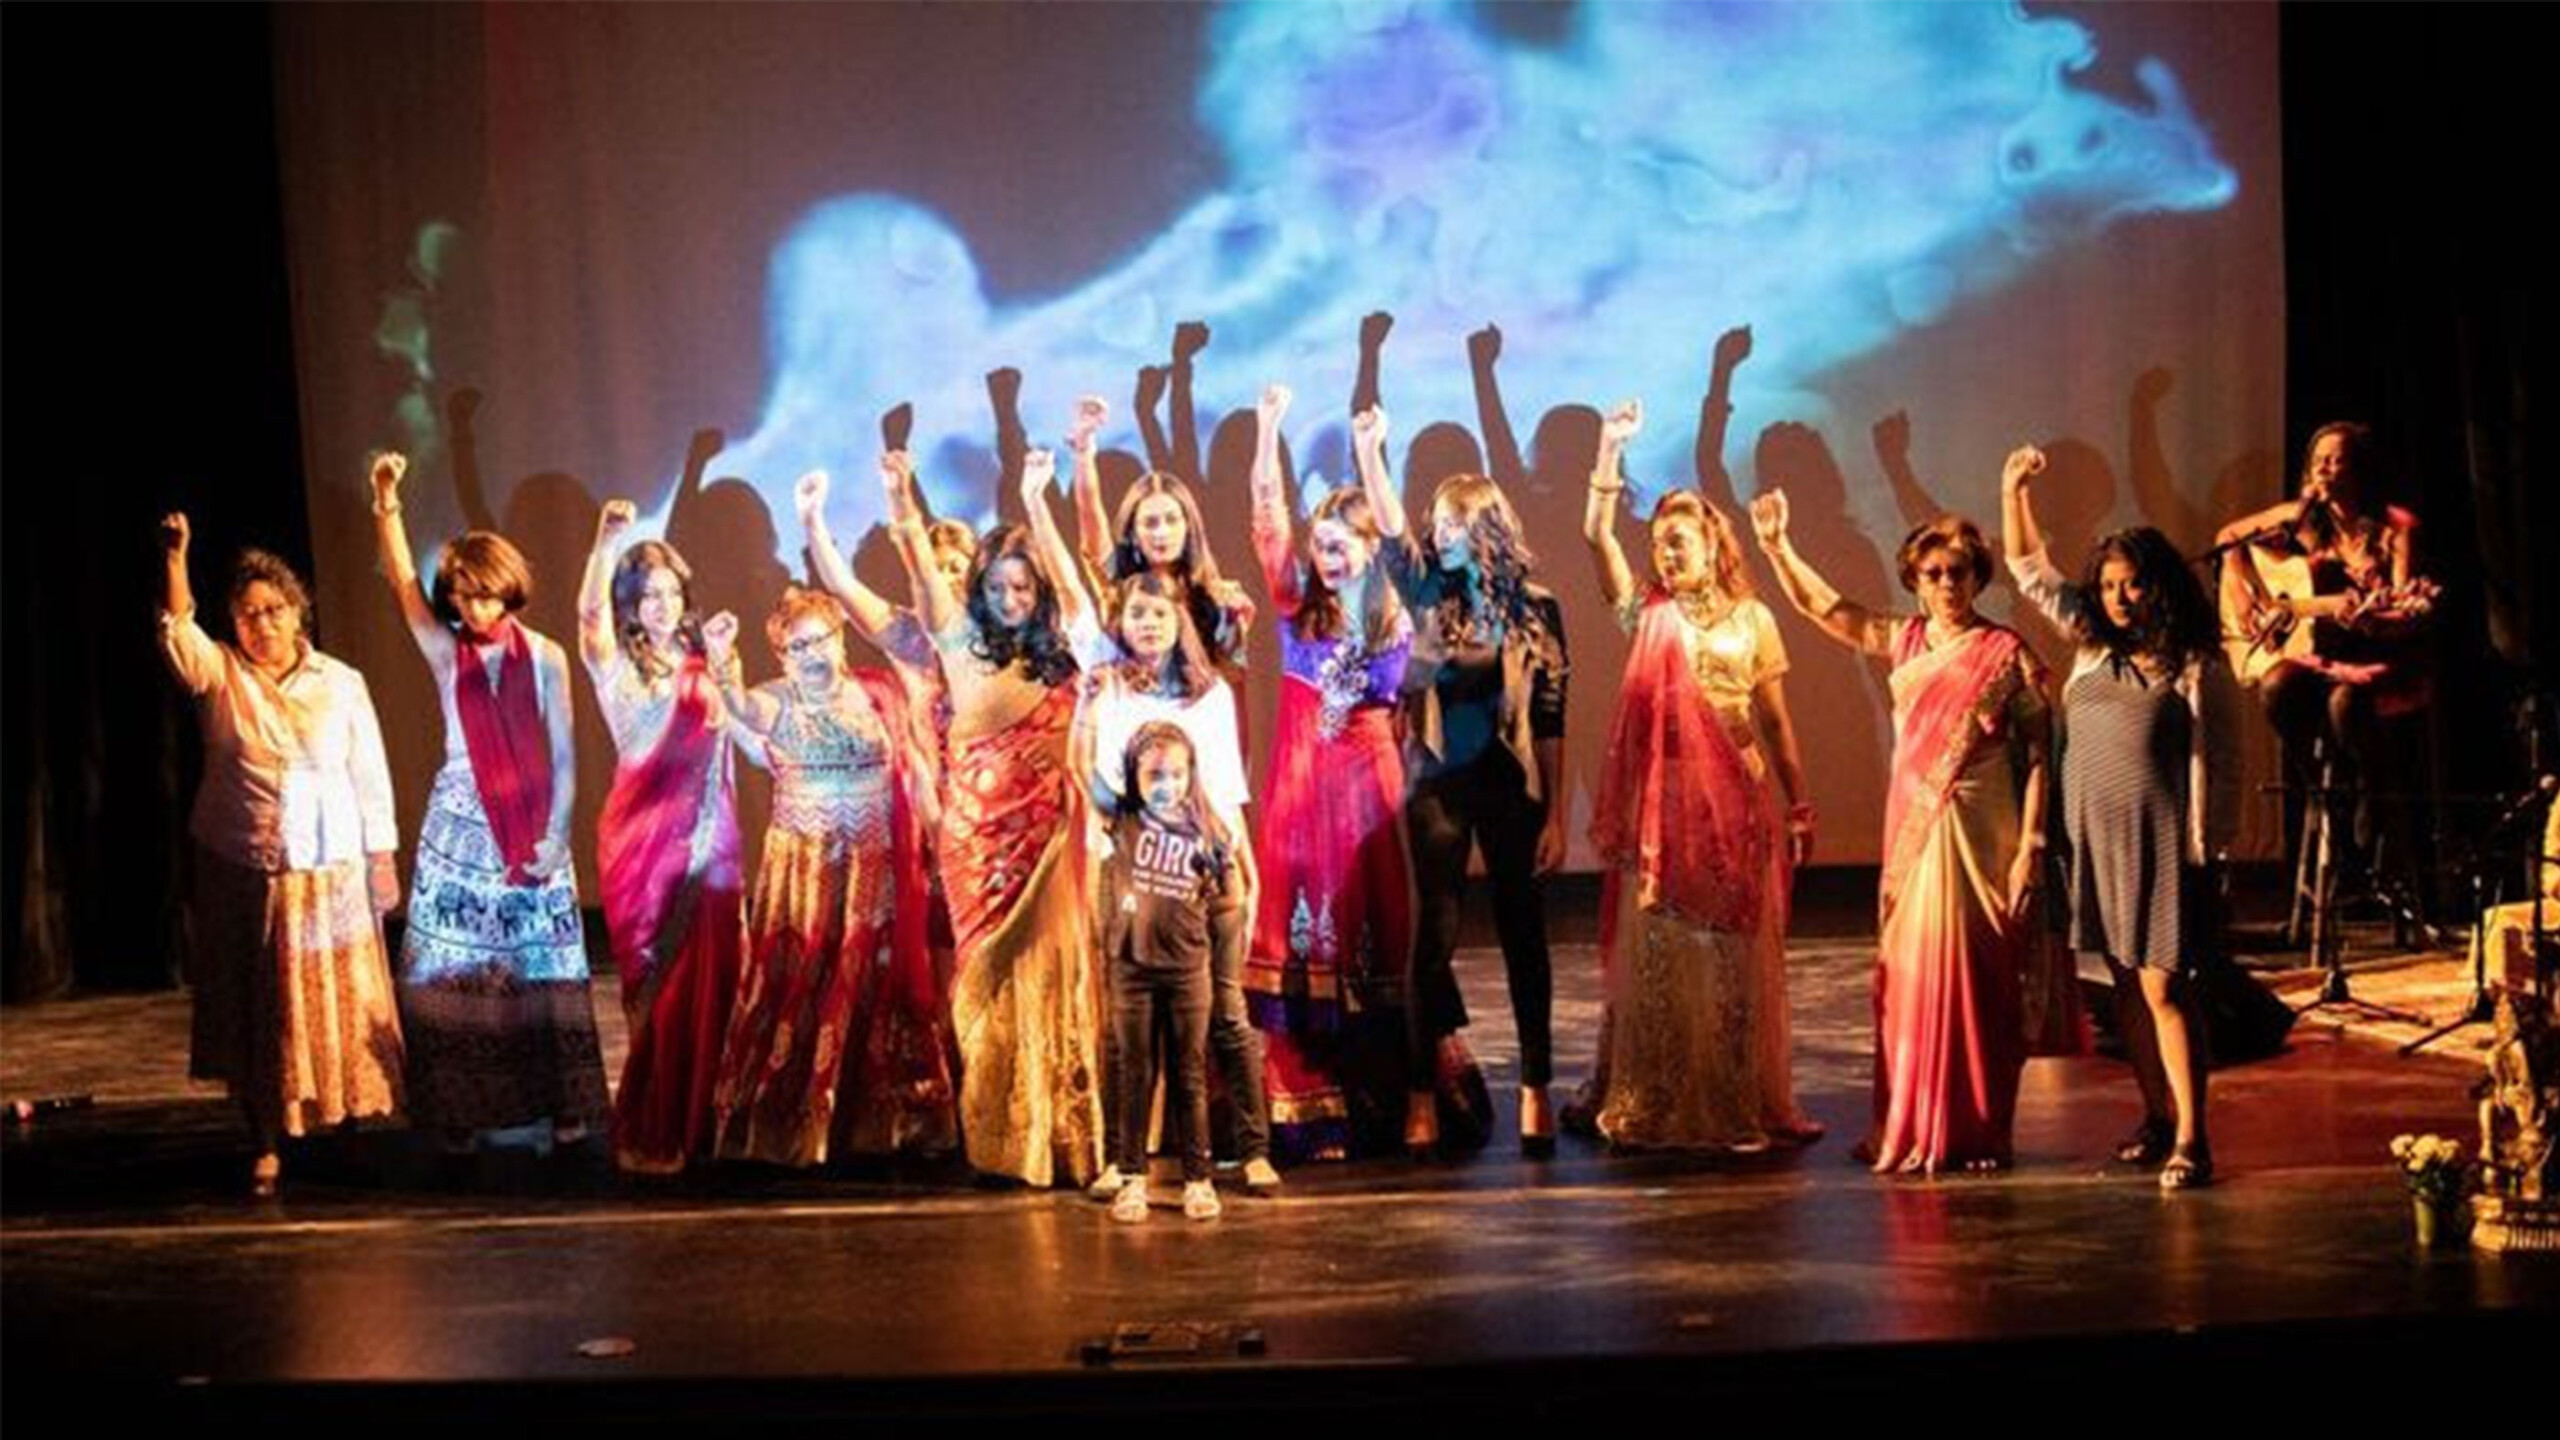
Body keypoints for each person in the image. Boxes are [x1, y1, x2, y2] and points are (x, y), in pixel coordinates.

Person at [1755, 491, 2052, 1173]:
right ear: (1915, 579)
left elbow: (2040, 754)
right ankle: (1912, 1123)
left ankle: (1977, 1132)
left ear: (1980, 576)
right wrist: (1778, 546)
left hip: (1987, 832)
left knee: (1981, 978)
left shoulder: (2006, 652)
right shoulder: (1906, 640)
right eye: (1933, 574)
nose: (1947, 585)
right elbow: (1825, 609)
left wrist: (2031, 847)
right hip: (1914, 827)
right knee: (1913, 975)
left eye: (1959, 572)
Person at [1577, 400, 1820, 1152]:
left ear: (1714, 546)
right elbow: (1594, 535)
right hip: (1663, 806)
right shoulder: (1647, 614)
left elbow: (1776, 721)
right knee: (1664, 955)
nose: (1667, 554)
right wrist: (1610, 449)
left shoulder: (1754, 621)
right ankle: (1655, 1098)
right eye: (1659, 544)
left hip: (1735, 808)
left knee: (1731, 956)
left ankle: (1733, 1101)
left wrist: (1800, 803)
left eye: (1680, 541)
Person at [1244, 382, 1476, 1160]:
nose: (1324, 553)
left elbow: (1404, 541)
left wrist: (1374, 451)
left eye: (1340, 542)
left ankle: (1398, 1091)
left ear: (1370, 546)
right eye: (1321, 543)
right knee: (1307, 940)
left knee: (1383, 934)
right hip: (1301, 794)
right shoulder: (1292, 604)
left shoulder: (1398, 615)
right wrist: (1268, 428)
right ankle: (1313, 1100)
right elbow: (1267, 519)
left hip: (1373, 792)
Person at [2006, 444, 2239, 1189]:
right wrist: (2013, 491)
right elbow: (2031, 574)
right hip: (2094, 839)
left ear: (2159, 588)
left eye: (2134, 584)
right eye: (2109, 585)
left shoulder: (2194, 663)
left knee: (2167, 989)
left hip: (2164, 843)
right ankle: (2157, 1114)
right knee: (2125, 990)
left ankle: (2194, 1139)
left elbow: (2219, 764)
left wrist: (2213, 852)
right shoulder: (2087, 645)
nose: (2120, 598)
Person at [158, 513, 408, 1194]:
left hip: (330, 867)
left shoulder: (341, 681)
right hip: (245, 862)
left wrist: (381, 859)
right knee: (258, 1008)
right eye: (247, 613)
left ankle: (348, 1132)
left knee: (338, 1007)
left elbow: (369, 773)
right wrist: (178, 559)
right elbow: (181, 641)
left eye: (274, 610)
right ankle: (264, 1141)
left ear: (300, 612)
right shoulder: (225, 676)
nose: (261, 624)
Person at [369, 453, 605, 1157]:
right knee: (459, 971)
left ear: (508, 589)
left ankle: (562, 1108)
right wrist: (387, 502)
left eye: (482, 594)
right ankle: (463, 1112)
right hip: (462, 824)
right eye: (461, 595)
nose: (470, 607)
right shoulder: (447, 651)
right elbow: (403, 586)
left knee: (542, 969)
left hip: (533, 822)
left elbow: (564, 751)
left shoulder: (547, 654)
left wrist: (560, 833)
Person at [1360, 403, 1568, 1158]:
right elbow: (1389, 538)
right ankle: (1421, 1093)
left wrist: (1554, 814)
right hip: (1439, 787)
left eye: (1451, 525)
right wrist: (1369, 448)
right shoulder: (1427, 597)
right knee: (1434, 938)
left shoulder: (1538, 608)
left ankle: (1538, 1088)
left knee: (1524, 934)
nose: (1438, 534)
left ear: (1484, 528)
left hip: (1511, 786)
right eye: (1436, 523)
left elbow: (1551, 711)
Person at [905, 446, 1106, 1188]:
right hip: (977, 847)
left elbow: (1081, 598)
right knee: (984, 985)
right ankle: (1000, 1137)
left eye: (1023, 586)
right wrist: (901, 506)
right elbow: (928, 587)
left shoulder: (1070, 651)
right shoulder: (962, 647)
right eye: (996, 586)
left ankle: (1063, 1131)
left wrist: (1036, 497)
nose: (1011, 598)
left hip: (1052, 839)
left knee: (1057, 978)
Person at [702, 584, 953, 1165]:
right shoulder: (777, 699)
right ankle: (798, 1121)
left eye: (822, 640)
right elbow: (738, 706)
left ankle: (884, 1120)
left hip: (873, 858)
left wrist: (934, 838)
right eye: (797, 646)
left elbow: (914, 766)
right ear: (783, 656)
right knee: (805, 977)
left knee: (872, 977)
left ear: (841, 640)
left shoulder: (878, 693)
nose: (812, 654)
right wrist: (722, 658)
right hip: (806, 864)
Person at [1063, 566, 1280, 1195]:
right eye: (1136, 614)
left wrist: (1243, 862)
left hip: (1205, 866)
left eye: (1159, 613)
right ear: (1121, 624)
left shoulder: (1207, 692)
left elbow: (1225, 787)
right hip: (1128, 869)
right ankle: (1120, 1159)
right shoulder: (1108, 689)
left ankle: (1253, 1147)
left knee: (1226, 1012)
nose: (1148, 624)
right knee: (1125, 1030)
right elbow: (1091, 776)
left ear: (1178, 619)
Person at [577, 501, 747, 1174]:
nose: (662, 605)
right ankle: (657, 1122)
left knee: (716, 979)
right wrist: (603, 541)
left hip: (712, 837)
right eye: (648, 594)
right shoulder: (615, 664)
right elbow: (589, 618)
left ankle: (710, 1119)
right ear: (628, 602)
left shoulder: (706, 658)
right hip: (642, 846)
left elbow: (737, 730)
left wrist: (729, 664)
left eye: (673, 593)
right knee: (658, 982)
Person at [1094, 722, 1237, 1223]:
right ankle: (1131, 1179)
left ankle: (1198, 1179)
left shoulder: (1208, 828)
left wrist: (1220, 959)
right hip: (1131, 970)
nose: (1165, 784)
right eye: (1154, 774)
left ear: (1191, 774)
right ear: (1134, 775)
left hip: (1187, 970)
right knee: (1134, 1074)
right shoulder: (1124, 818)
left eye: (1176, 774)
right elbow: (1081, 772)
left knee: (1190, 1074)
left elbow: (1229, 898)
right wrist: (1090, 706)